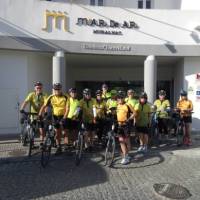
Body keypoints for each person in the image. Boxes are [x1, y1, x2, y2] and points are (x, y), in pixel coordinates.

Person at [38, 83, 68, 155]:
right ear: (53, 90)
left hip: (62, 116)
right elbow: (44, 106)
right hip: (54, 116)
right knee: (57, 132)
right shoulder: (51, 97)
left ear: (61, 89)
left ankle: (63, 145)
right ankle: (57, 146)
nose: (57, 90)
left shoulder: (65, 97)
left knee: (62, 132)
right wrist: (39, 115)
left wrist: (64, 118)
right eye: (55, 89)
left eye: (58, 89)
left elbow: (67, 109)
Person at [20, 81, 48, 147]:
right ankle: (30, 141)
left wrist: (45, 112)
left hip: (41, 115)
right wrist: (22, 109)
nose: (39, 89)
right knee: (32, 129)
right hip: (32, 114)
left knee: (41, 130)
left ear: (42, 88)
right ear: (34, 88)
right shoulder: (31, 94)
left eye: (40, 88)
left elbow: (45, 104)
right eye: (37, 88)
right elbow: (25, 102)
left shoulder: (44, 95)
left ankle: (41, 143)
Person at [116, 90, 135, 165]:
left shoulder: (127, 105)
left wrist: (129, 119)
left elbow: (134, 113)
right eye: (118, 98)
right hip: (119, 125)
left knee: (127, 142)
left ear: (124, 98)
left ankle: (127, 154)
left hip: (126, 125)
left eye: (121, 98)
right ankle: (125, 157)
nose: (120, 99)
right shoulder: (117, 105)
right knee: (121, 140)